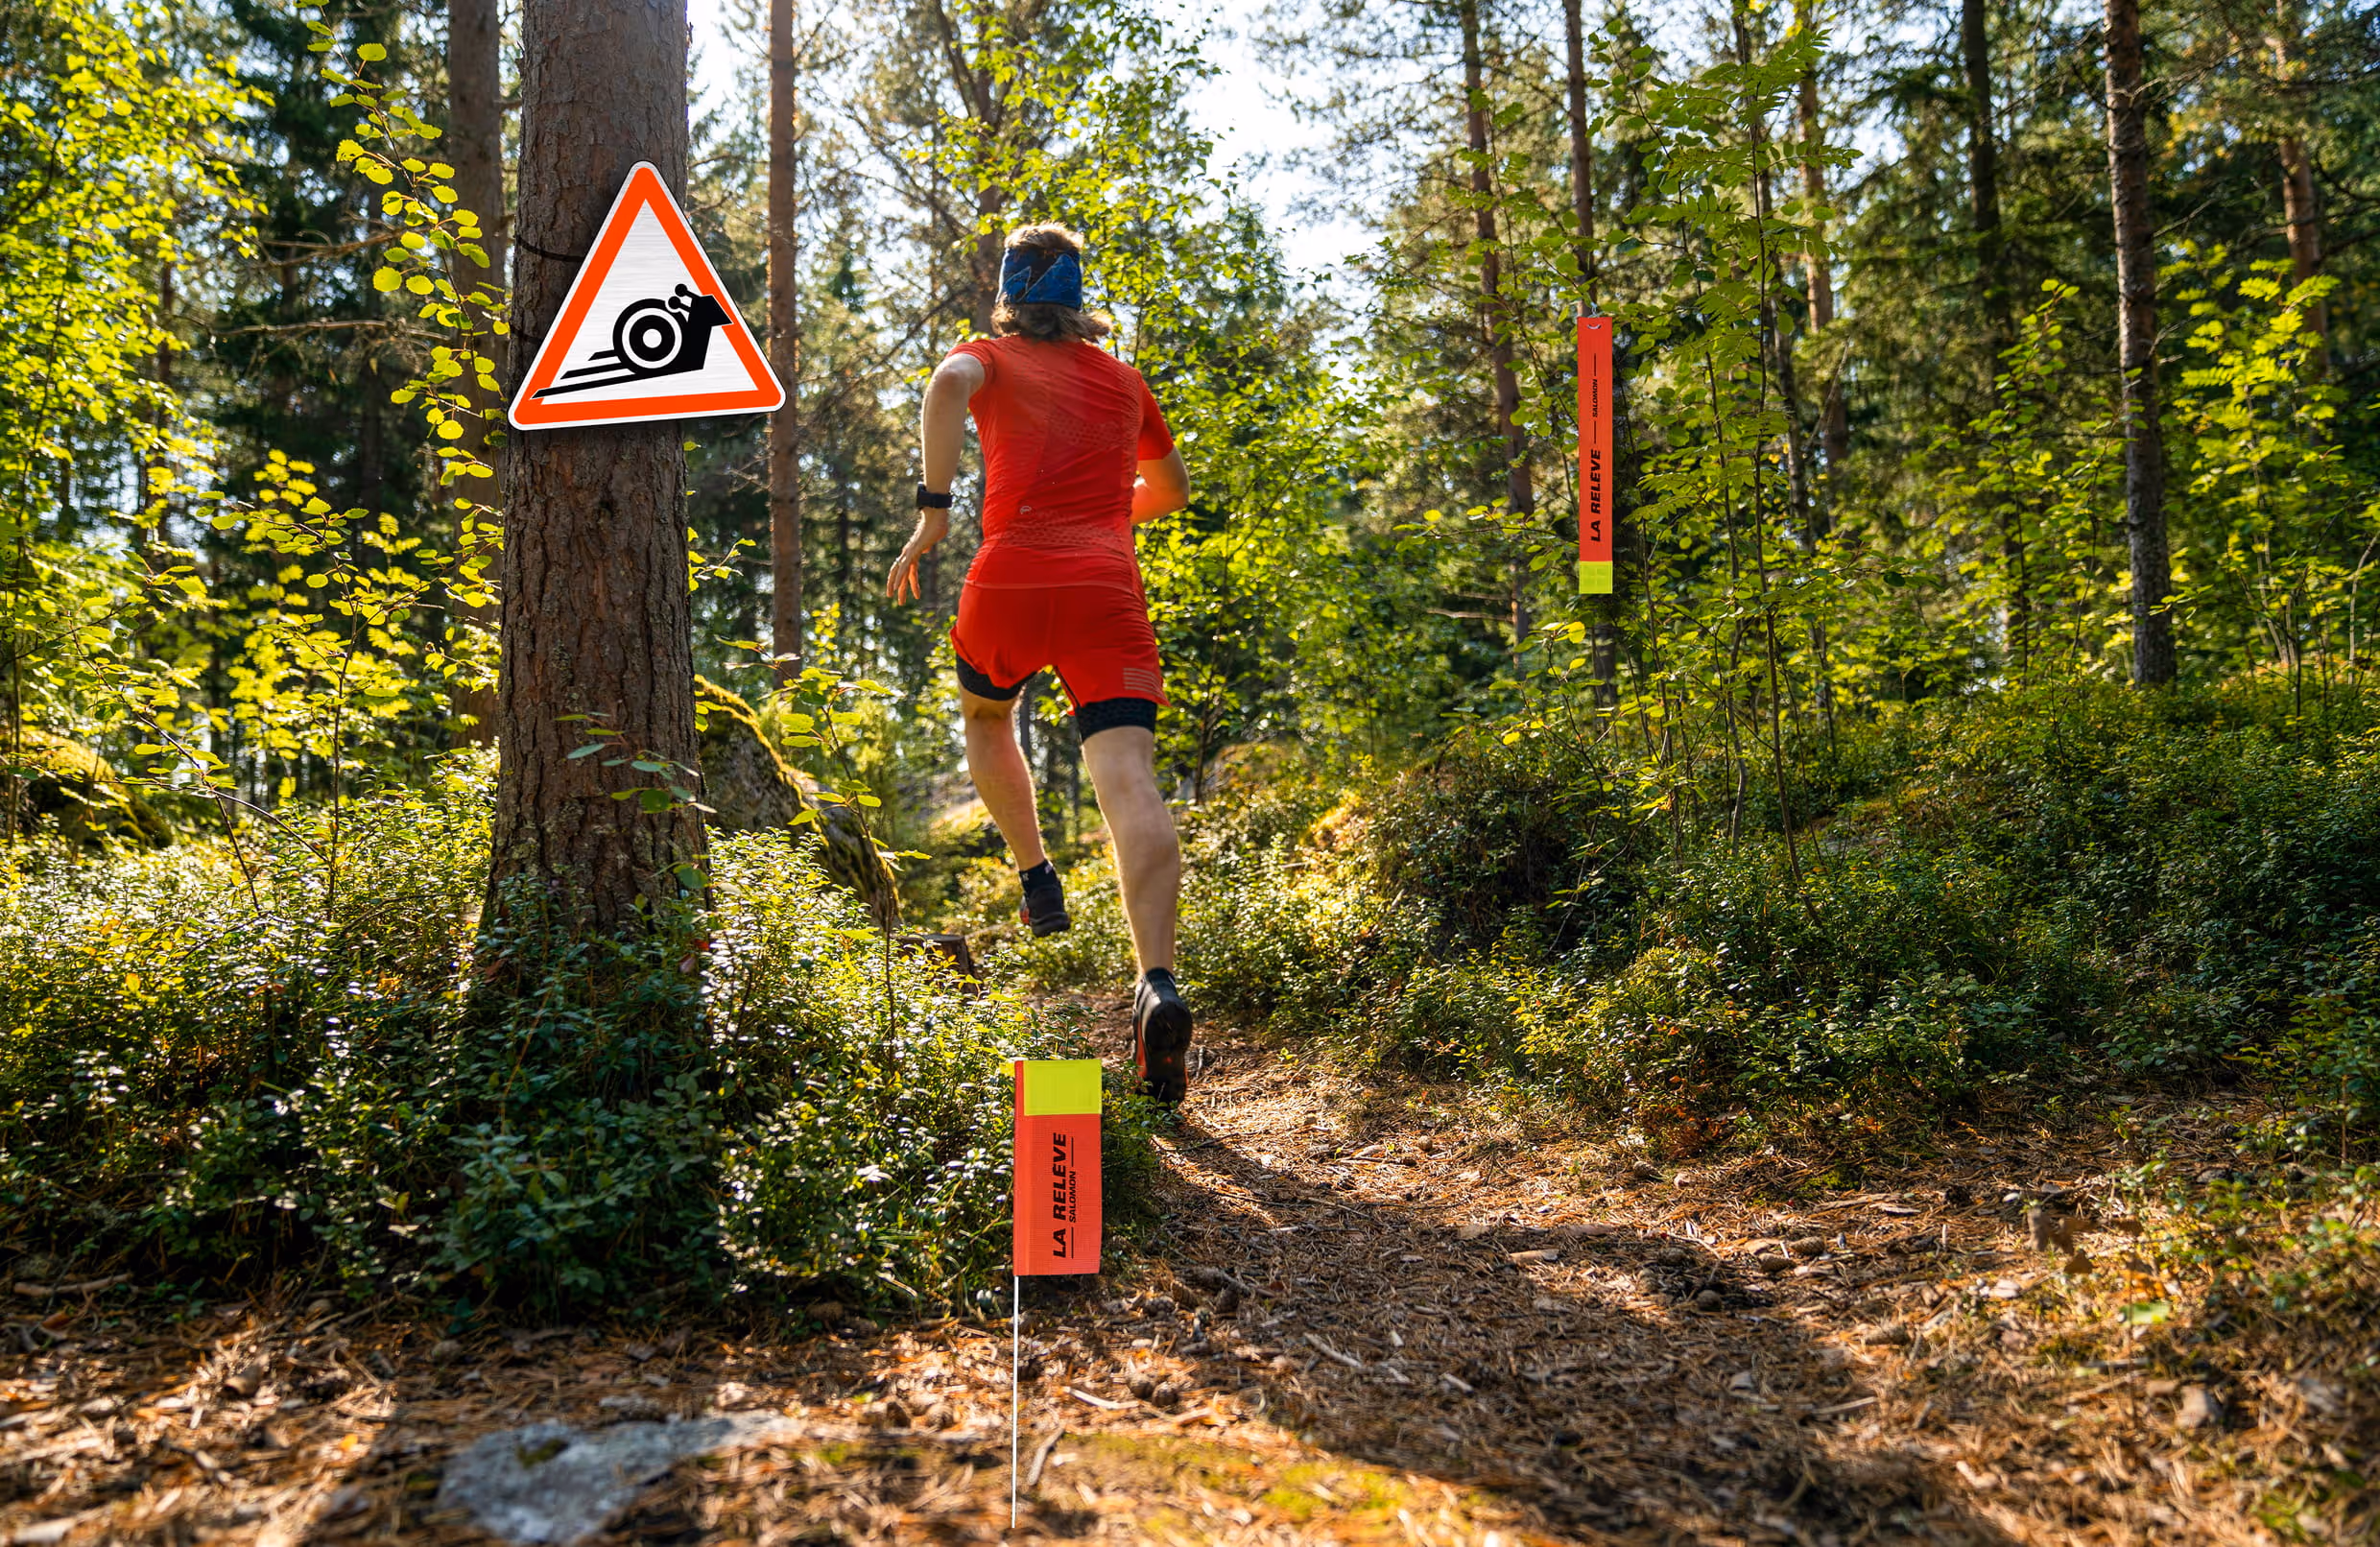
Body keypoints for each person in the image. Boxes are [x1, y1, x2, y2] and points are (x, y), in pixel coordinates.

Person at [885, 224, 1197, 1105]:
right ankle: (1158, 983)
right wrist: (1103, 516)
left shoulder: (987, 354)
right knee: (1129, 778)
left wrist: (935, 512)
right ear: (1077, 301)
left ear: (1012, 296)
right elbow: (1171, 491)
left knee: (988, 717)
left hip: (1011, 575)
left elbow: (947, 383)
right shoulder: (1125, 380)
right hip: (1106, 586)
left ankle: (1035, 874)